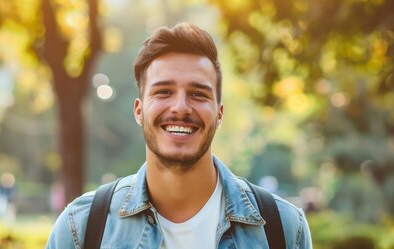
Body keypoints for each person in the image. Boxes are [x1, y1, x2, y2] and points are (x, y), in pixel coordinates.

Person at [46, 23, 312, 249]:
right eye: (163, 91)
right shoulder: (81, 228)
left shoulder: (284, 228)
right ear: (139, 111)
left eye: (198, 94)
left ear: (219, 114)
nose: (181, 108)